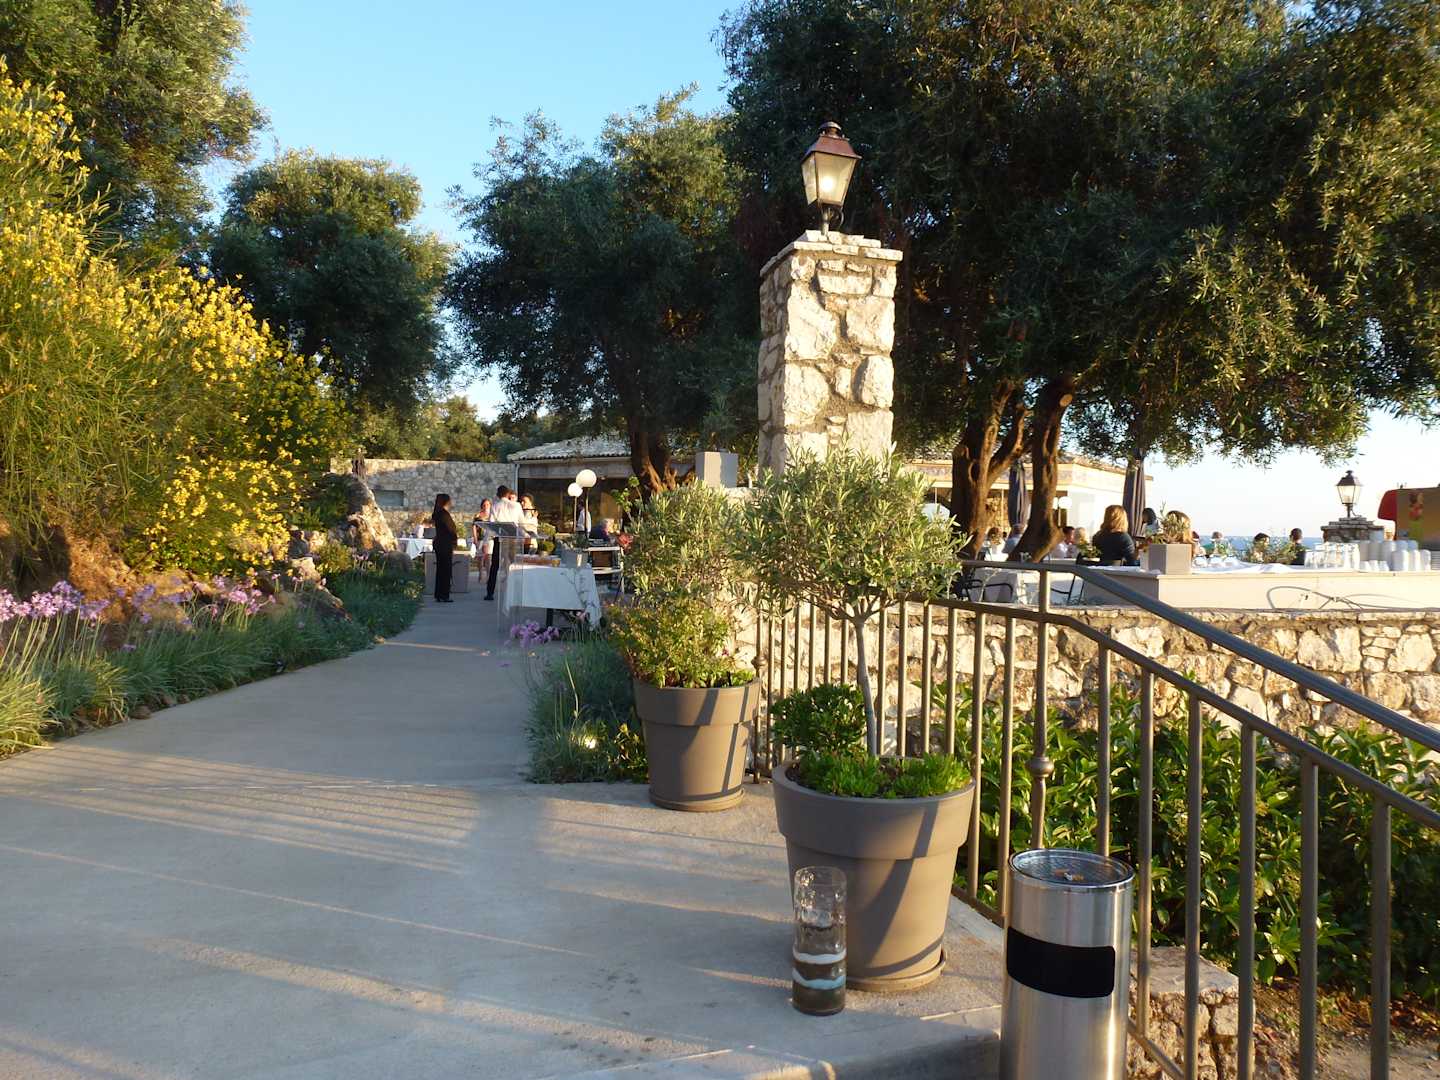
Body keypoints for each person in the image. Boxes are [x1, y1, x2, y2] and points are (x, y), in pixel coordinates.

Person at [484, 485, 527, 600]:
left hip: (500, 538)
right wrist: (525, 535)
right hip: (512, 537)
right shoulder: (516, 505)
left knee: (495, 565)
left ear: (498, 495)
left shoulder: (495, 506)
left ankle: (490, 593)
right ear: (508, 494)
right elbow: (522, 522)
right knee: (514, 564)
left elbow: (491, 525)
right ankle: (517, 591)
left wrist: (486, 540)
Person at [430, 493, 458, 603]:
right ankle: (444, 594)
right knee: (446, 570)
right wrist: (454, 540)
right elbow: (451, 529)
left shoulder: (437, 514)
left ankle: (438, 593)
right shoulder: (444, 514)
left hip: (439, 543)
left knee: (440, 570)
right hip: (445, 544)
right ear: (446, 502)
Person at [472, 498, 493, 580]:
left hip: (490, 539)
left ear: (490, 505)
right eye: (484, 505)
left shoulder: (492, 515)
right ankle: (480, 573)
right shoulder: (478, 515)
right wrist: (475, 539)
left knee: (488, 557)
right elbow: (474, 527)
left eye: (487, 504)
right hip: (480, 538)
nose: (486, 506)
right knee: (480, 557)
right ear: (482, 506)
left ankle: (488, 575)